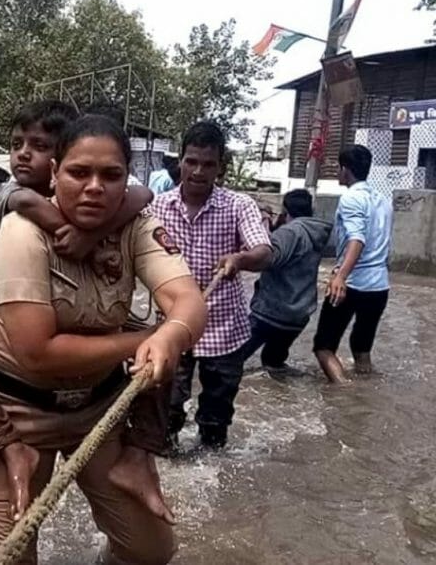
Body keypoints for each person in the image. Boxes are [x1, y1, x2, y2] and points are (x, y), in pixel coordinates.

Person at [0, 114, 206, 564]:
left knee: (150, 551)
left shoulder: (137, 228)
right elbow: (37, 353)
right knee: (9, 559)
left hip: (99, 408)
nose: (95, 187)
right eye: (79, 172)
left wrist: (173, 333)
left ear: (126, 180)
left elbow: (186, 298)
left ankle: (139, 455)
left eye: (111, 175)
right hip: (17, 412)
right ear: (54, 174)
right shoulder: (23, 232)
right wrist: (147, 338)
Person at [151, 121, 271, 451]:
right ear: (180, 162)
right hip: (174, 325)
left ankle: (213, 474)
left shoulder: (239, 205)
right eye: (192, 161)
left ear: (220, 167)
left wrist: (240, 259)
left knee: (217, 418)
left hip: (224, 329)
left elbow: (263, 251)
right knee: (165, 412)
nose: (198, 171)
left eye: (208, 164)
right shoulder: (157, 208)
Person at [218, 189, 332, 380]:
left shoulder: (289, 232)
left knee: (229, 360)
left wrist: (263, 227)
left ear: (285, 212)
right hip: (298, 315)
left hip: (271, 312)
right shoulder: (317, 231)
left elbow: (268, 257)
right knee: (273, 363)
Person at [312, 145, 393, 382]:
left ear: (345, 170)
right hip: (379, 287)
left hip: (353, 283)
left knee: (323, 347)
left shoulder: (350, 198)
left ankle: (345, 397)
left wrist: (340, 276)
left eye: (339, 168)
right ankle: (365, 394)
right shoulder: (383, 201)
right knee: (361, 348)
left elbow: (357, 240)